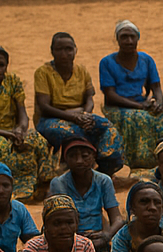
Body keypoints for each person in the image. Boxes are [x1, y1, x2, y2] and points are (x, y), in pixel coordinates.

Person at [100, 21, 163, 169]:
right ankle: (138, 162)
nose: (128, 41)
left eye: (132, 37)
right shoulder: (107, 62)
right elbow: (110, 95)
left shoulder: (146, 59)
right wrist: (140, 106)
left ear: (137, 38)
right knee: (139, 119)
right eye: (124, 37)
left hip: (141, 104)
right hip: (118, 107)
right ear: (117, 39)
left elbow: (157, 87)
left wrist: (159, 103)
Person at [0, 44, 53, 199]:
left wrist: (20, 129)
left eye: (2, 65)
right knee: (0, 146)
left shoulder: (13, 81)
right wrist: (5, 133)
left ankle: (43, 182)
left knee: (38, 140)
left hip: (11, 131)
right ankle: (10, 184)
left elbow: (22, 112)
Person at [33, 31, 123, 174]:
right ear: (52, 51)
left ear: (75, 50)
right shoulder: (43, 73)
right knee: (67, 132)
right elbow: (44, 107)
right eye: (59, 49)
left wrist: (86, 115)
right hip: (51, 118)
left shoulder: (81, 71)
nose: (64, 54)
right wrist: (75, 117)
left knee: (108, 128)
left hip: (80, 116)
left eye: (68, 49)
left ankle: (105, 170)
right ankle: (71, 169)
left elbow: (89, 98)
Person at [45, 137, 120, 252]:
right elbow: (61, 217)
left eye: (85, 156)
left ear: (93, 157)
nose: (79, 161)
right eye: (73, 156)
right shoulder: (59, 183)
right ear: (65, 159)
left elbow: (117, 218)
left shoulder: (103, 181)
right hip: (69, 239)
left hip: (98, 239)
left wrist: (106, 236)